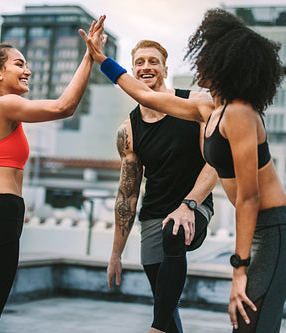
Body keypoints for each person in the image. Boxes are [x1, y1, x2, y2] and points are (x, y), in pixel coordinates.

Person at [81, 8, 286, 333]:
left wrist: (238, 271)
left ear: (224, 64)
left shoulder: (240, 114)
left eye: (207, 56)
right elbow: (144, 94)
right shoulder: (206, 108)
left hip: (278, 233)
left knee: (250, 325)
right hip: (260, 233)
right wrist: (101, 58)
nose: (199, 61)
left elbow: (248, 198)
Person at [0, 16, 105, 333]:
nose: (27, 70)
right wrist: (90, 55)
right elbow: (64, 107)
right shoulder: (2, 106)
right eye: (19, 64)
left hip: (2, 217)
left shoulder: (4, 108)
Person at [105, 39, 218, 333]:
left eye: (153, 61)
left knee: (175, 232)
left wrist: (189, 204)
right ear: (132, 71)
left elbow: (215, 162)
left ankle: (153, 329)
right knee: (166, 304)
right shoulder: (128, 130)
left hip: (195, 206)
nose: (146, 67)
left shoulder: (195, 104)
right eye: (140, 62)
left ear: (165, 68)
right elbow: (127, 195)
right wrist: (116, 255)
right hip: (153, 214)